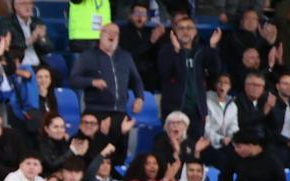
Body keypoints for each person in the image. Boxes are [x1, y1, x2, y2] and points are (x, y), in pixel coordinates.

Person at [69, 23, 145, 164]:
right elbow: (73, 80)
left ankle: (115, 176)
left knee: (118, 155)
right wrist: (92, 82)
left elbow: (137, 80)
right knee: (96, 155)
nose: (112, 35)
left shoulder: (125, 56)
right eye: (108, 32)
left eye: (116, 33)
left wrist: (140, 98)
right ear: (100, 34)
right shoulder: (88, 56)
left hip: (120, 112)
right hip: (96, 112)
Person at [159, 16, 222, 130]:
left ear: (195, 32)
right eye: (181, 28)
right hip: (174, 109)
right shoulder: (166, 51)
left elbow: (215, 72)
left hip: (197, 110)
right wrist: (176, 51)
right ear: (175, 32)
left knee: (196, 141)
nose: (185, 31)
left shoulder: (201, 51)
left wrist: (212, 47)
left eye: (189, 28)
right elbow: (165, 73)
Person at [120, 1, 165, 92]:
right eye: (137, 13)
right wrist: (151, 41)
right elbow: (130, 55)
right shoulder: (123, 32)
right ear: (130, 15)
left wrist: (159, 38)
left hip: (148, 79)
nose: (140, 17)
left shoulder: (147, 32)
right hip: (131, 77)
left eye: (143, 14)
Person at [266, 71, 290, 171]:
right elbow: (268, 128)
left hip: (289, 141)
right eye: (285, 84)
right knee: (282, 154)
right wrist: (287, 141)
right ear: (277, 86)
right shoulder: (271, 102)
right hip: (274, 142)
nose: (289, 87)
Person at [0, 0, 52, 69]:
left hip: (38, 65)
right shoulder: (6, 22)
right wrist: (31, 39)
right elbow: (7, 47)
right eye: (23, 3)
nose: (27, 6)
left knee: (57, 73)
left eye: (30, 3)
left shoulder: (37, 22)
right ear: (15, 6)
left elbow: (49, 49)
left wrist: (41, 39)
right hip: (18, 65)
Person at [205, 72, 239, 170]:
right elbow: (205, 127)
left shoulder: (233, 105)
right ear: (215, 85)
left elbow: (234, 126)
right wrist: (220, 139)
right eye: (220, 82)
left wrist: (230, 137)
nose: (222, 85)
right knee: (223, 162)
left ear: (230, 87)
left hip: (227, 142)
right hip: (209, 142)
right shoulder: (207, 101)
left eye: (226, 83)